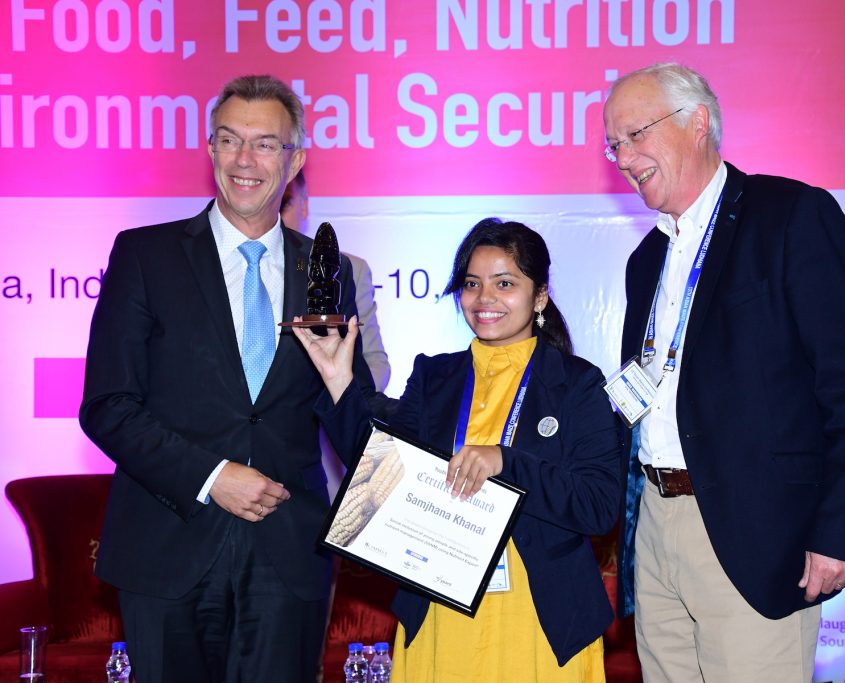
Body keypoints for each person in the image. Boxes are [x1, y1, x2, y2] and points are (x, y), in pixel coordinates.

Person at [603, 63, 845, 682]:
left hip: (756, 533)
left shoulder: (791, 216)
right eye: (615, 144)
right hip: (656, 528)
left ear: (699, 122)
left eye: (636, 135)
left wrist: (842, 532)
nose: (625, 158)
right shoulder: (645, 259)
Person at [79, 74, 377, 683]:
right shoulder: (144, 255)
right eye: (230, 140)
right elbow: (107, 404)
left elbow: (354, 418)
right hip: (167, 547)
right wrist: (212, 477)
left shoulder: (328, 270)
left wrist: (347, 386)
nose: (246, 160)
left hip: (288, 553)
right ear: (210, 148)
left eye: (266, 144)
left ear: (296, 159)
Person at [295, 218, 624, 681]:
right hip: (442, 610)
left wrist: (507, 463)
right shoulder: (435, 378)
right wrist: (337, 381)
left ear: (540, 296)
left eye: (504, 284)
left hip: (538, 621)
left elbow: (598, 506)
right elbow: (379, 472)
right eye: (472, 284)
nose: (484, 299)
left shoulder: (577, 384)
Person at [282, 169, 392, 391]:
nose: (273, 215)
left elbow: (375, 364)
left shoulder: (348, 269)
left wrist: (342, 408)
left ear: (304, 205)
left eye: (283, 205)